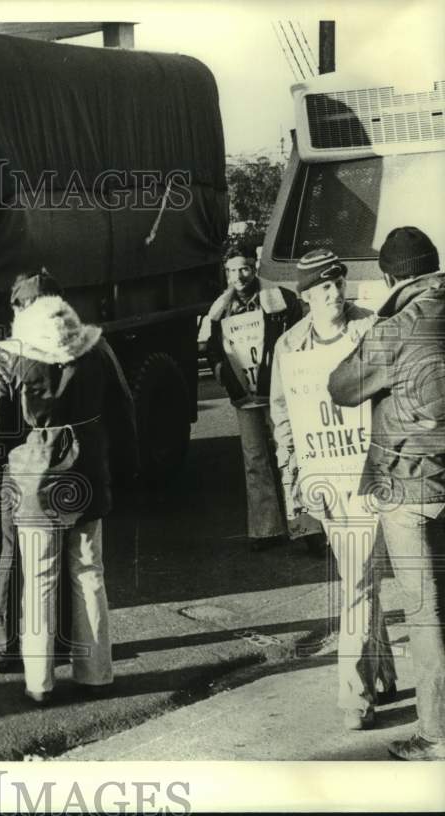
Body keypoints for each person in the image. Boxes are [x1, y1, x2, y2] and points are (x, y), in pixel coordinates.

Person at [0, 271, 138, 704]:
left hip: (34, 477)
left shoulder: (7, 355)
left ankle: (40, 682)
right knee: (89, 573)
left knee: (39, 579)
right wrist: (118, 465)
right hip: (88, 474)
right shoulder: (95, 345)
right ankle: (96, 674)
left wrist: (0, 461)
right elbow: (123, 407)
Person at [329, 227, 445, 760]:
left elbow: (342, 386)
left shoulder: (394, 328)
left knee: (424, 615)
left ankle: (436, 735)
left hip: (409, 486)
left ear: (392, 276)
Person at [271, 247, 397, 731]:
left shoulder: (370, 327)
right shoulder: (289, 348)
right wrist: (295, 483)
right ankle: (382, 671)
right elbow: (283, 420)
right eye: (324, 286)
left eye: (338, 281)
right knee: (359, 578)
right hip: (324, 481)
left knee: (358, 582)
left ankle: (355, 698)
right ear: (305, 297)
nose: (335, 293)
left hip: (369, 476)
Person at [204, 242, 323, 552]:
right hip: (245, 396)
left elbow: (300, 333)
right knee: (255, 460)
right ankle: (265, 530)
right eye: (231, 270)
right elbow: (213, 349)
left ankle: (307, 526)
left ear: (254, 267)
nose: (238, 277)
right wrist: (226, 377)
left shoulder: (281, 299)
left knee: (291, 453)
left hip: (280, 392)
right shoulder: (220, 310)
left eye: (243, 268)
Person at [0, 271, 74, 676]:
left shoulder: (4, 353)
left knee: (16, 552)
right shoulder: (82, 346)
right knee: (71, 553)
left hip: (21, 465)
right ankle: (62, 642)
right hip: (71, 459)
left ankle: (11, 646)